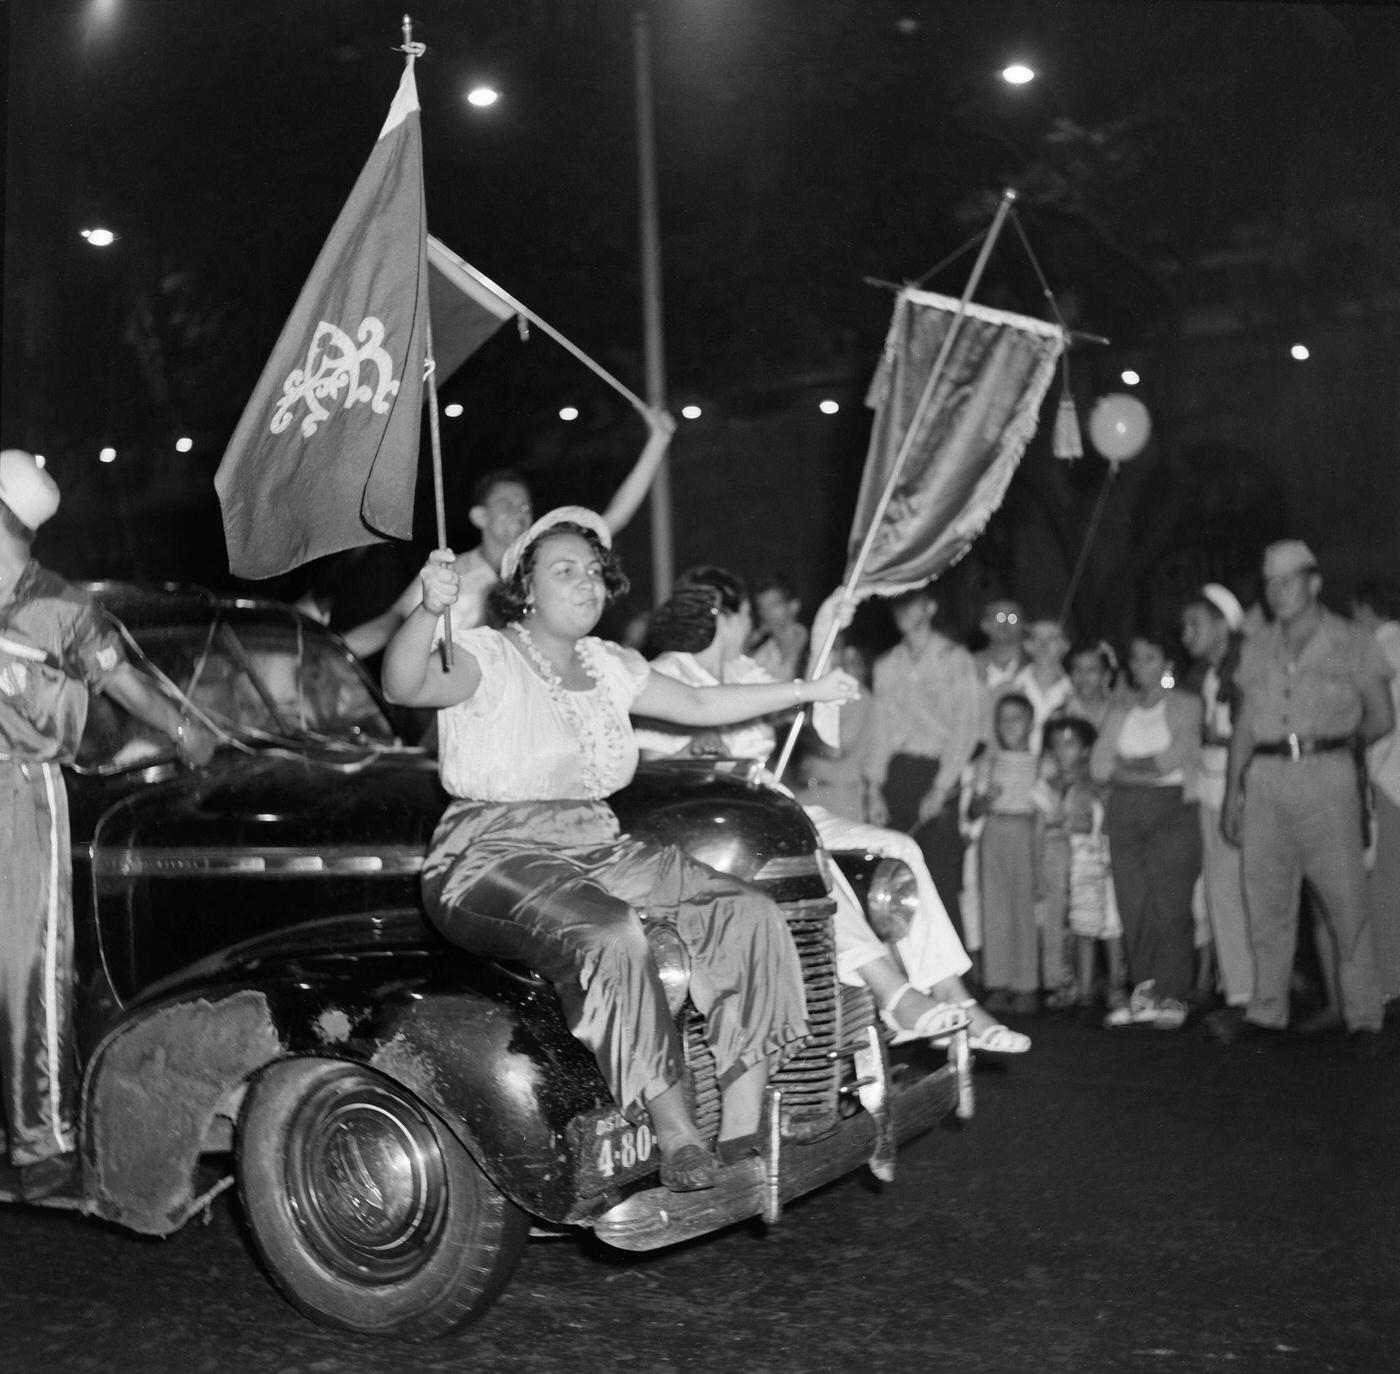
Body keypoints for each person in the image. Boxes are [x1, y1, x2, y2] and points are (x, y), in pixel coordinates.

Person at [380, 508, 861, 1193]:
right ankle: (676, 1132)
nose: (586, 583)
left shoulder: (608, 665)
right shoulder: (485, 653)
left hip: (594, 841)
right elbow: (405, 684)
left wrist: (807, 689)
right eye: (564, 570)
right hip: (488, 853)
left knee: (747, 912)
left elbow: (701, 704)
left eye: (596, 572)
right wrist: (429, 611)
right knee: (611, 932)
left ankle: (742, 1126)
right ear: (525, 588)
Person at [637, 571, 1027, 1053]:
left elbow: (825, 736)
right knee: (810, 863)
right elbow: (644, 767)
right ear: (725, 615)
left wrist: (824, 636)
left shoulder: (748, 673)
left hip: (773, 807)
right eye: (747, 616)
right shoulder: (664, 671)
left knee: (897, 846)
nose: (753, 626)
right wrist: (691, 752)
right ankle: (894, 995)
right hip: (712, 833)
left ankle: (954, 995)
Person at [0, 449, 217, 1200]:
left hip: (21, 793)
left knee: (27, 968)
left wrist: (186, 728)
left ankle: (41, 1142)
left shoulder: (60, 607)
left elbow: (123, 680)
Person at [1216, 541, 1394, 1057]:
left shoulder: (1352, 640)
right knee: (1266, 899)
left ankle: (1364, 1016)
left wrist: (1342, 748)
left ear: (1314, 582)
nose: (1277, 591)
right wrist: (1234, 791)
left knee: (1345, 902)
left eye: (1288, 580)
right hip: (1267, 776)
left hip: (1327, 774)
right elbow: (1245, 725)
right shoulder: (1257, 644)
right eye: (1270, 582)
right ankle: (1267, 1013)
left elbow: (1382, 715)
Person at [347, 409, 676, 657]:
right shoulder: (452, 572)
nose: (519, 514)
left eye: (524, 507)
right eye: (506, 505)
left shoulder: (540, 567)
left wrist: (658, 442)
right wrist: (331, 653)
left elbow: (614, 518)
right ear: (480, 516)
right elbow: (390, 625)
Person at [1091, 631, 1203, 1030]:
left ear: (1167, 663)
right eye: (1136, 659)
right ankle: (1146, 992)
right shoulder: (1120, 707)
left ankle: (1174, 994)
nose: (1141, 666)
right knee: (1133, 902)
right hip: (1125, 811)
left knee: (1170, 902)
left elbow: (1179, 755)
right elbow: (1099, 766)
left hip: (1172, 808)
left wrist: (1132, 770)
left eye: (1150, 658)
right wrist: (1141, 771)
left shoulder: (1187, 704)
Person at [865, 584, 985, 942]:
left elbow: (966, 729)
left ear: (930, 608)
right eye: (897, 605)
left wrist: (941, 787)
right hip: (897, 773)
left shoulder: (955, 659)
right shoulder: (886, 665)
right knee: (898, 880)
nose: (902, 612)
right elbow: (880, 729)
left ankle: (958, 982)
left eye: (911, 604)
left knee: (941, 879)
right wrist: (874, 789)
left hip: (938, 772)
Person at [1179, 583, 1253, 1013]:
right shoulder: (1205, 676)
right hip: (1209, 782)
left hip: (1233, 780)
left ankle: (1246, 990)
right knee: (1218, 886)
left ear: (1224, 626)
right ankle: (1235, 983)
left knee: (1231, 884)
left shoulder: (1241, 672)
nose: (1186, 634)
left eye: (1195, 624)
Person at [1038, 716, 1126, 1015]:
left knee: (1110, 924)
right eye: (1057, 745)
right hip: (1067, 864)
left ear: (1087, 749)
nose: (1064, 751)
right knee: (1078, 927)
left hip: (1098, 861)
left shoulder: (1096, 784)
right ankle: (1082, 988)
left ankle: (1115, 984)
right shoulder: (1048, 786)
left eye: (1071, 744)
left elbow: (1103, 821)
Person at [967, 693, 1042, 1016]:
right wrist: (986, 799)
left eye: (1017, 718)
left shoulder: (1040, 762)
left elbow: (1049, 805)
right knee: (994, 907)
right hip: (994, 831)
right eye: (1003, 719)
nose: (1009, 725)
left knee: (1022, 906)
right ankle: (997, 983)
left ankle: (1025, 985)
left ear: (1030, 722)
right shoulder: (989, 762)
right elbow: (973, 809)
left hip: (1024, 830)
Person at [1351, 579, 1400, 1004]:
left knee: (1384, 884)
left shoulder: (1377, 650)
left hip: (1389, 778)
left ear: (1366, 611)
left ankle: (1388, 983)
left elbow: (1378, 721)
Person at [794, 636, 874, 824]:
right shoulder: (813, 694)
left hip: (839, 795)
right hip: (808, 791)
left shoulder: (856, 695)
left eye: (833, 649)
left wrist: (798, 730)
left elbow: (834, 749)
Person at [1011, 619, 1073, 754]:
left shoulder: (1075, 693)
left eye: (1052, 638)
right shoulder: (1009, 689)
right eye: (1037, 638)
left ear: (1065, 646)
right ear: (1027, 645)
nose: (1044, 644)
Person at [748, 574, 809, 682]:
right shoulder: (762, 655)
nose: (767, 613)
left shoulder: (816, 643)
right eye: (762, 607)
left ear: (793, 606)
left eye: (774, 605)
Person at [1063, 640, 1118, 733]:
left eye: (1091, 669)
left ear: (1106, 676)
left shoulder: (1117, 712)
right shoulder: (1062, 714)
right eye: (1078, 669)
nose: (1084, 676)